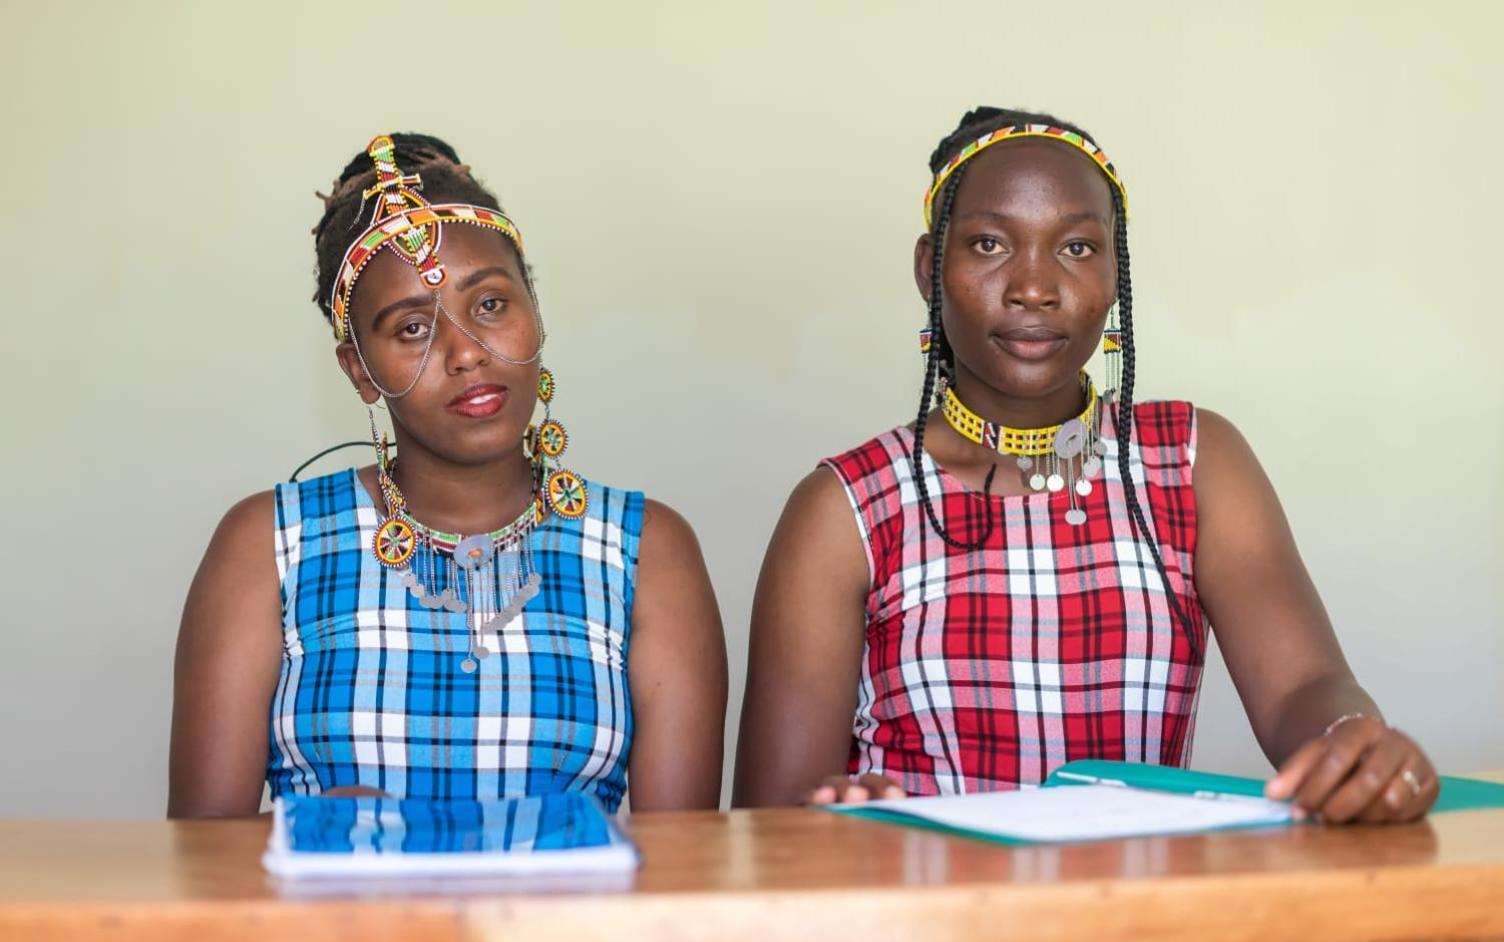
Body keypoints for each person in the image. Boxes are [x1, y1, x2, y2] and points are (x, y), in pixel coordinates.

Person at [735, 107, 1436, 824]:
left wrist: (1352, 741)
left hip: (1137, 918)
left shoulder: (1194, 463)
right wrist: (843, 815)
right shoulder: (847, 507)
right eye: (987, 243)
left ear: (1113, 270)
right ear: (929, 267)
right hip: (929, 922)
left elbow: (1304, 686)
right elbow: (764, 828)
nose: (1034, 287)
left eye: (1075, 248)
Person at [170, 133, 726, 817]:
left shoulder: (645, 550)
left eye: (490, 305)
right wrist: (312, 829)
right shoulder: (267, 546)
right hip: (331, 929)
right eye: (411, 328)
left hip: (563, 930)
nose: (465, 352)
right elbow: (195, 868)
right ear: (359, 370)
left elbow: (680, 874)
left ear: (536, 312)